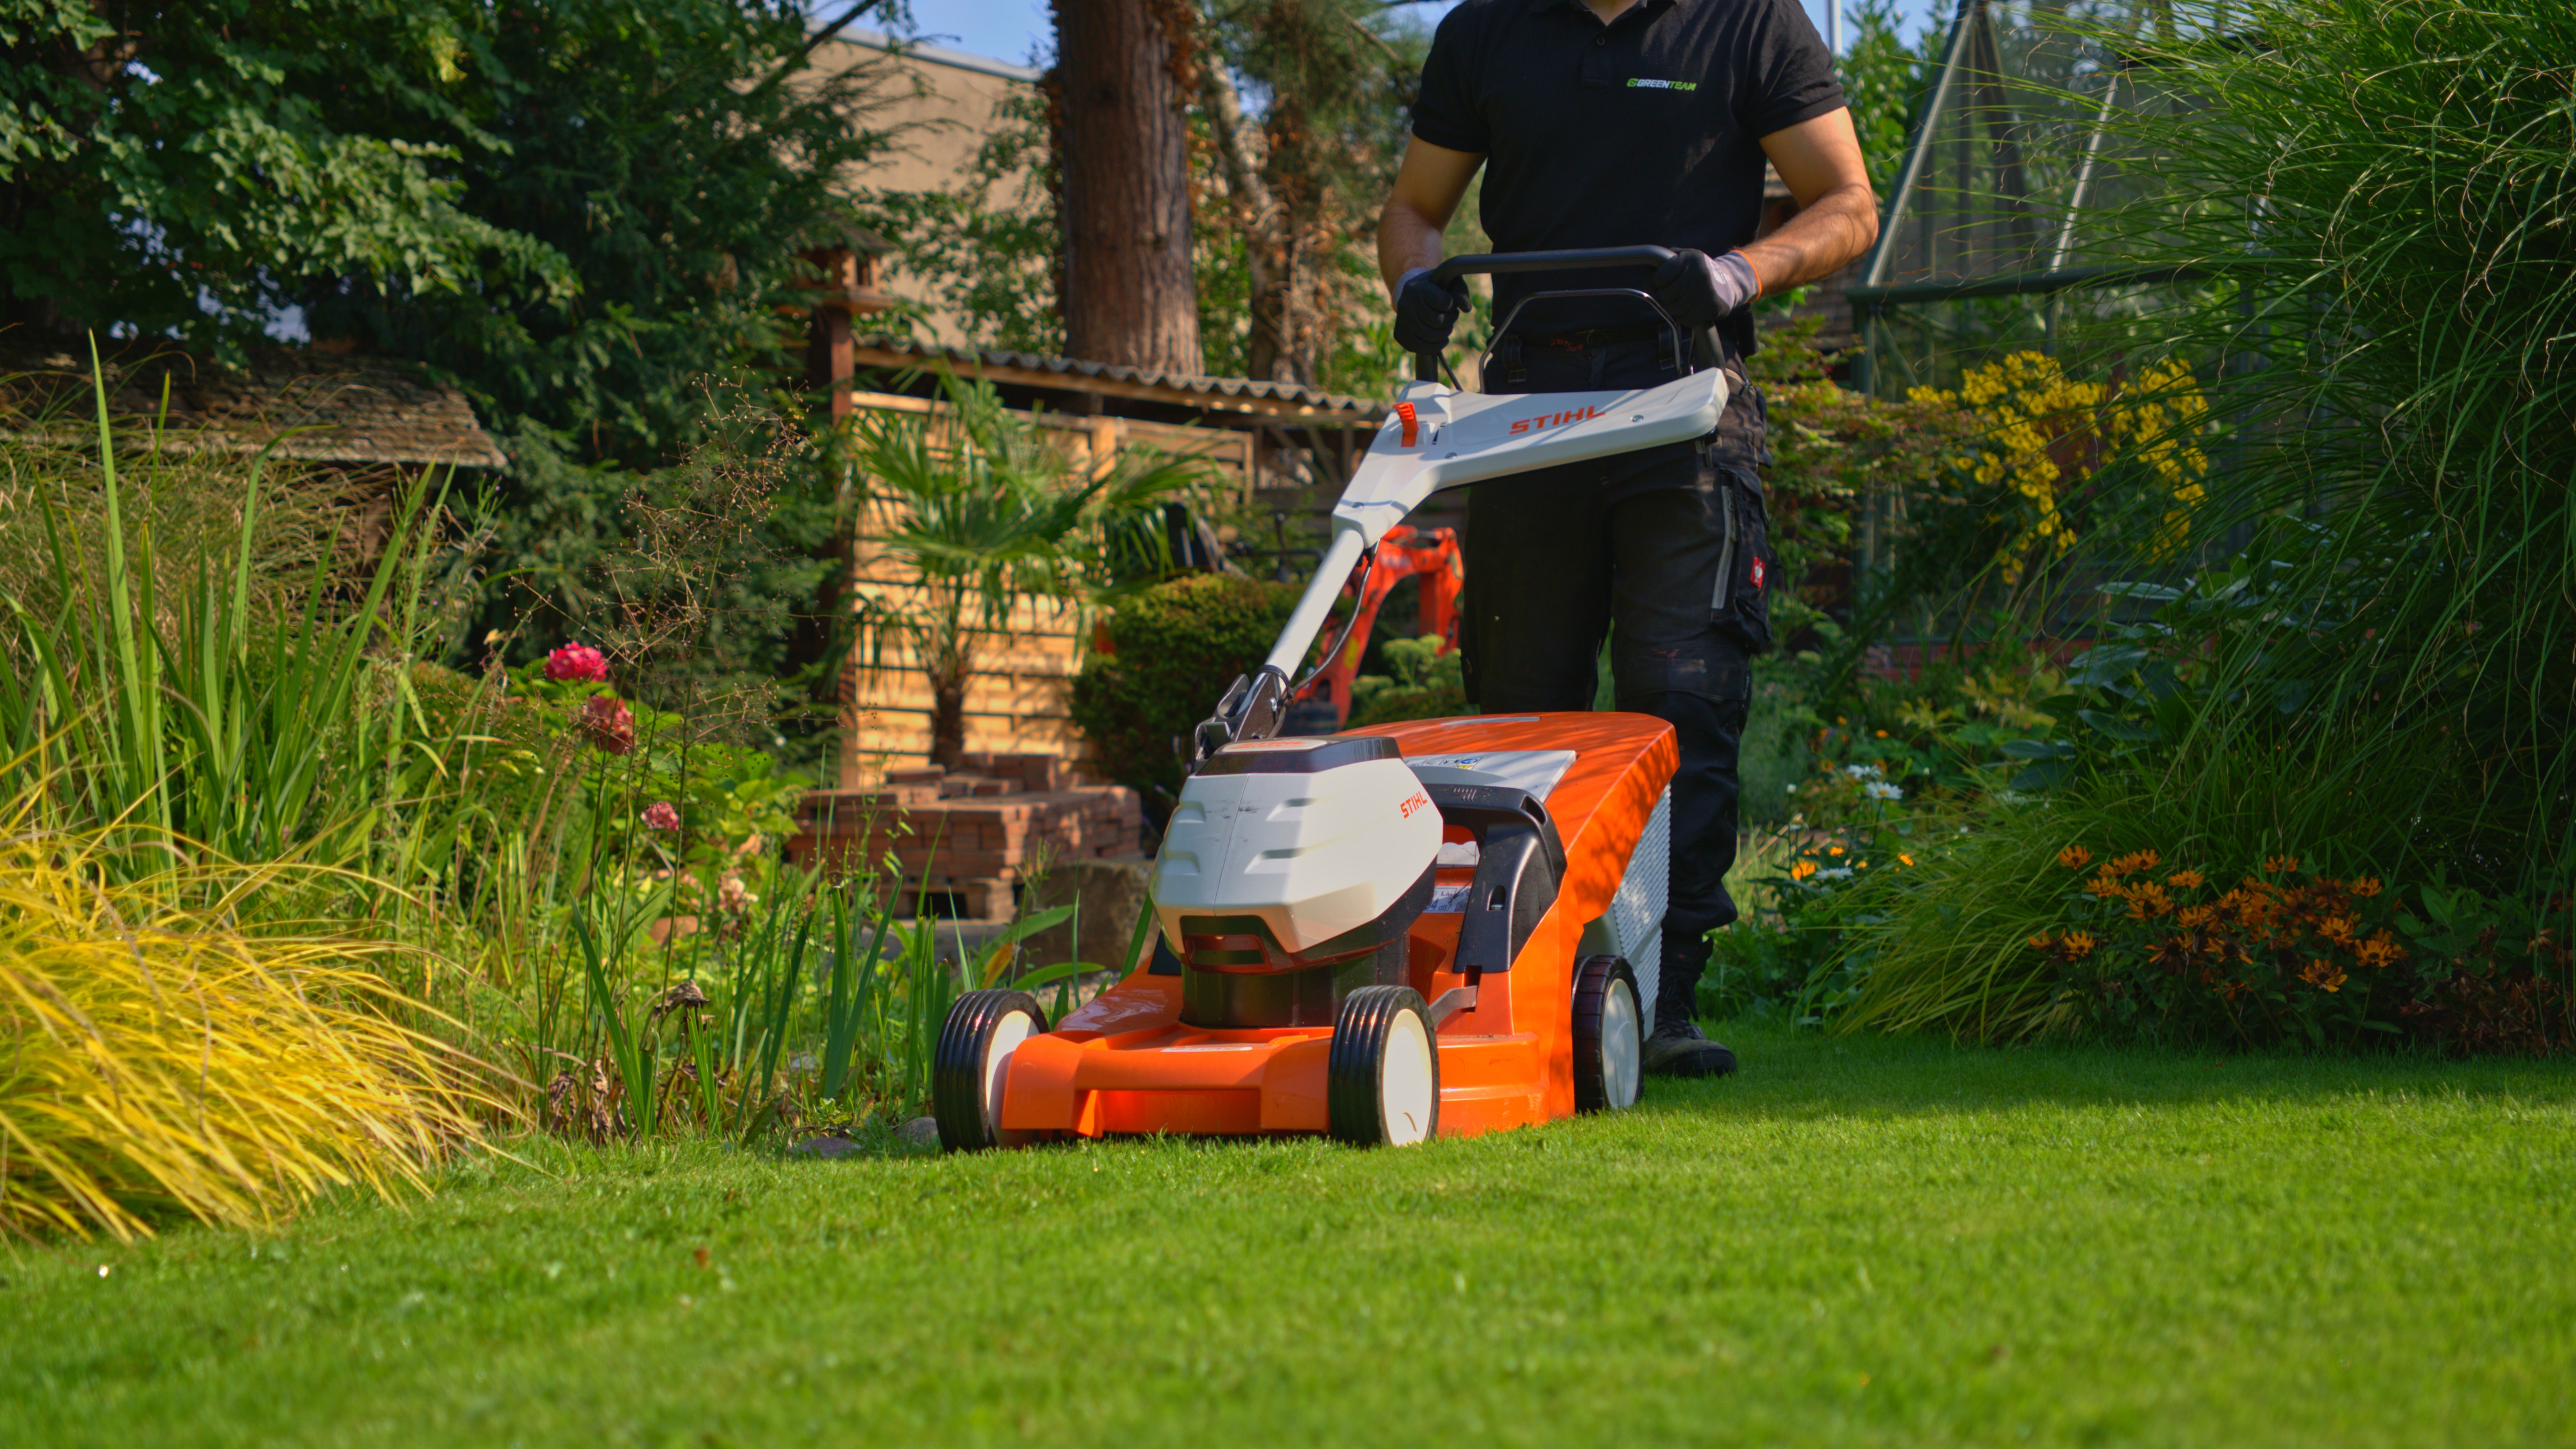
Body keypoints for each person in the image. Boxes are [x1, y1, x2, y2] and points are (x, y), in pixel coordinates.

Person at [1376, 0, 1878, 1077]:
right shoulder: (1488, 31)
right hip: (1523, 403)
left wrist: (1741, 271)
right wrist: (1415, 282)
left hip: (1687, 396)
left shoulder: (1751, 24)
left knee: (1682, 697)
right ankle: (1515, 986)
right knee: (1518, 711)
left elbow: (1849, 204)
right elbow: (1416, 208)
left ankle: (1665, 996)